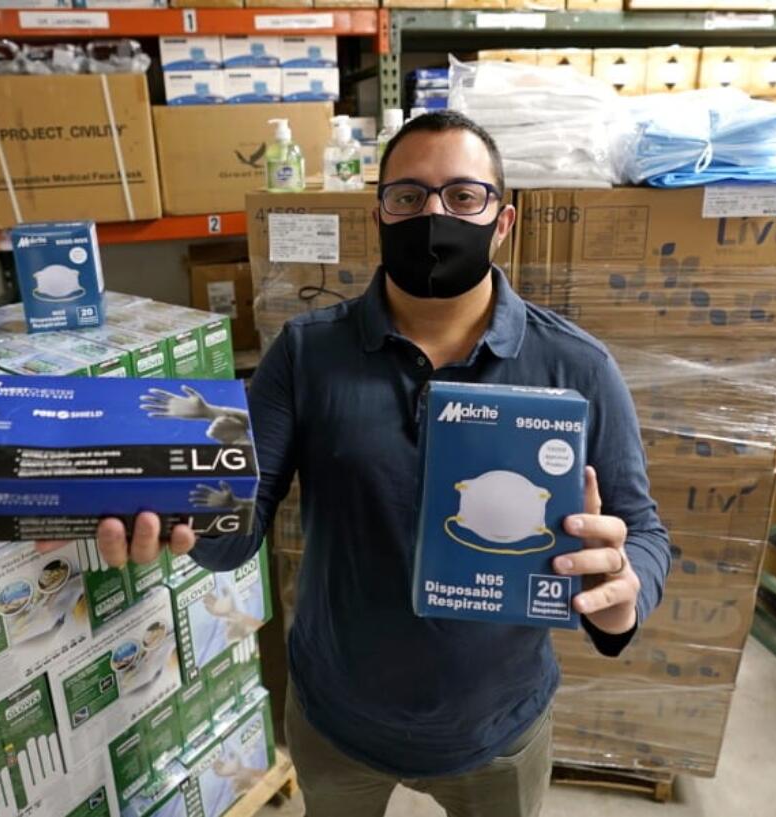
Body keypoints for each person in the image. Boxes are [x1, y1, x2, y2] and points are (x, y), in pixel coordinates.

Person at [76, 111, 671, 817]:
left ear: (502, 222)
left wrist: (625, 591)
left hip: (499, 727)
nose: (434, 213)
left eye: (463, 196)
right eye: (409, 196)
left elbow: (643, 532)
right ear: (379, 214)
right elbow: (238, 523)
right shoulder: (306, 353)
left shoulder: (577, 366)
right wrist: (174, 516)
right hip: (337, 721)